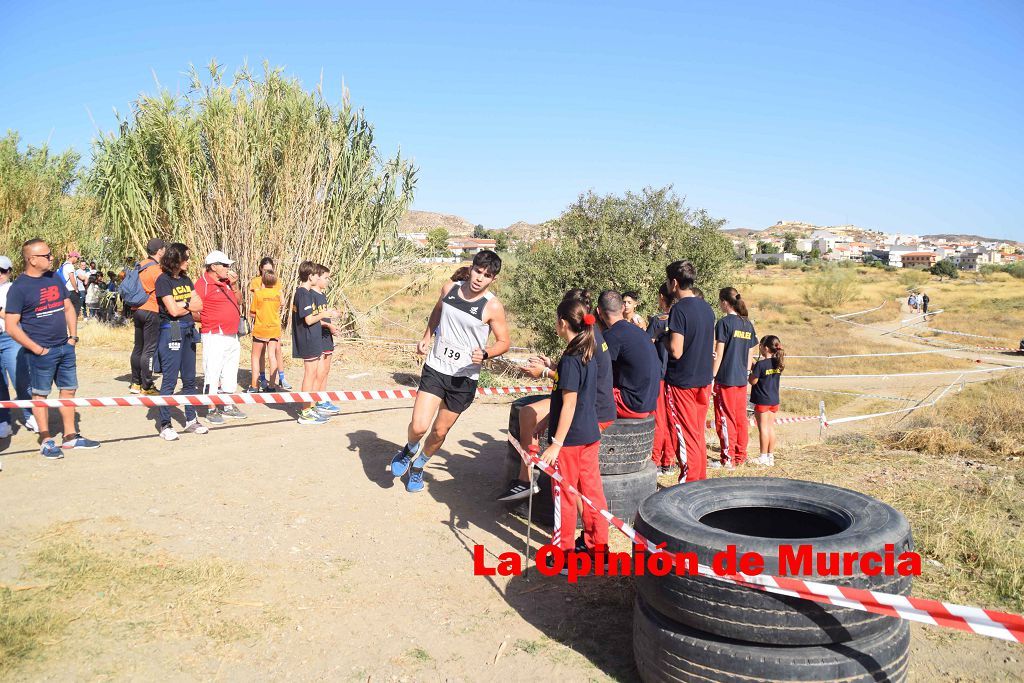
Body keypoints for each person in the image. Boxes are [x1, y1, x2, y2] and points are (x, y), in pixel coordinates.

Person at [391, 250, 510, 493]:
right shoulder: (450, 289)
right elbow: (437, 311)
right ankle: (409, 449)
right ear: (472, 267)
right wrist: (427, 336)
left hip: (464, 378)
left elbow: (504, 342)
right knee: (419, 426)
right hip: (437, 367)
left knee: (439, 431)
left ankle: (419, 466)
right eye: (478, 271)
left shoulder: (492, 306)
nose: (479, 278)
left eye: (487, 275)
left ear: (492, 279)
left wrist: (486, 353)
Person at [498, 289, 614, 502]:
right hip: (591, 405)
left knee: (528, 414)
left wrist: (544, 373)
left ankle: (526, 480)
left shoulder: (585, 343)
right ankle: (527, 477)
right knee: (529, 415)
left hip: (588, 410)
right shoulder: (589, 336)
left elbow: (574, 387)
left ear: (566, 320)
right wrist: (553, 366)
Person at [4, 239, 100, 457]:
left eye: (50, 254)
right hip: (41, 352)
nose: (51, 258)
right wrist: (37, 349)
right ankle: (46, 439)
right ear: (32, 260)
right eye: (46, 256)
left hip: (65, 347)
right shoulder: (19, 288)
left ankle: (70, 436)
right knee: (40, 395)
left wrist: (72, 338)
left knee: (68, 390)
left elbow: (67, 307)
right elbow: (11, 326)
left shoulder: (54, 278)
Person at [539, 297, 608, 572]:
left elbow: (569, 403)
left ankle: (564, 554)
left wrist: (556, 443)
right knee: (591, 495)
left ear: (562, 323)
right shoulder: (587, 351)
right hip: (590, 434)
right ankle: (597, 548)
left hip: (570, 441)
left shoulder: (570, 359)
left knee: (565, 497)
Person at [664, 260, 715, 483]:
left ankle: (688, 485)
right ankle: (699, 481)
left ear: (674, 283)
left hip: (682, 382)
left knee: (684, 435)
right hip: (703, 380)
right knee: (696, 434)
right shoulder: (707, 308)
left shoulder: (679, 309)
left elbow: (676, 350)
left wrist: (662, 338)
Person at [154, 243, 209, 441]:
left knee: (189, 379)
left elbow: (199, 305)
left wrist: (183, 306)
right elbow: (173, 311)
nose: (189, 261)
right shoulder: (163, 280)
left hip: (188, 331)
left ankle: (191, 419)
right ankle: (165, 424)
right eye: (186, 258)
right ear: (176, 259)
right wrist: (187, 304)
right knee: (169, 380)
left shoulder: (186, 279)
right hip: (171, 330)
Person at [194, 250, 247, 424]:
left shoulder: (227, 282)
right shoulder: (203, 284)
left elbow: (239, 301)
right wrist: (209, 319)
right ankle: (211, 407)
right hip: (214, 334)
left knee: (231, 370)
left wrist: (235, 286)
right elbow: (193, 309)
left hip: (232, 333)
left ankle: (228, 405)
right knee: (213, 370)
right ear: (214, 266)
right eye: (224, 265)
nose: (227, 268)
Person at [710, 287, 758, 469]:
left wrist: (712, 376)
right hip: (740, 379)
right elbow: (750, 353)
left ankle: (728, 459)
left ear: (724, 302)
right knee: (740, 418)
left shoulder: (724, 323)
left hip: (726, 378)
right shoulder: (747, 324)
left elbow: (719, 353)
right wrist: (745, 372)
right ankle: (740, 455)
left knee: (725, 418)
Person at [597, 290, 661, 418]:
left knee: (582, 398)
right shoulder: (639, 332)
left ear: (599, 312)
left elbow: (595, 371)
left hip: (631, 404)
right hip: (650, 403)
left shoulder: (612, 336)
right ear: (622, 308)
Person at [291, 260, 339, 425]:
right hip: (308, 338)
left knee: (313, 373)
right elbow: (309, 319)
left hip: (313, 337)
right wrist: (325, 313)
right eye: (317, 275)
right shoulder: (303, 294)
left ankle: (310, 407)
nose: (319, 278)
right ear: (310, 276)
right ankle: (306, 411)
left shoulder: (305, 292)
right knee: (310, 374)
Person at [129, 238, 166, 395]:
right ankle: (147, 385)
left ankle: (135, 383)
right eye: (164, 248)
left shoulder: (141, 265)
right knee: (149, 349)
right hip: (151, 309)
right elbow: (163, 290)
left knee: (138, 347)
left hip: (136, 309)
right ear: (159, 251)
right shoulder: (157, 270)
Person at [250, 257, 292, 391]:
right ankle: (270, 384)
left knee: (256, 356)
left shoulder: (260, 294)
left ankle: (255, 385)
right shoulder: (274, 292)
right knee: (271, 355)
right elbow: (282, 302)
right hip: (274, 327)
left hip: (261, 328)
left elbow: (252, 312)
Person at [647, 283, 675, 474]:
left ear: (661, 297)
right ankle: (670, 460)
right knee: (672, 419)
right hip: (677, 376)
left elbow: (647, 346)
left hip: (659, 376)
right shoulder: (681, 319)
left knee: (659, 420)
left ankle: (656, 459)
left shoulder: (658, 320)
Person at [310, 263, 342, 417]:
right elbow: (312, 319)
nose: (327, 281)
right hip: (318, 336)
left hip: (326, 335)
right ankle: (314, 401)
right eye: (325, 278)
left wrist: (333, 317)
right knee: (319, 371)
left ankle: (322, 398)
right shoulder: (311, 295)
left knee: (326, 370)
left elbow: (324, 315)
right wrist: (328, 326)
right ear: (316, 278)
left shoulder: (323, 295)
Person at [749, 335, 785, 466]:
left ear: (765, 348)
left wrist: (752, 371)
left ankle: (762, 457)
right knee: (770, 428)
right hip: (774, 400)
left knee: (763, 429)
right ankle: (770, 457)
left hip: (762, 401)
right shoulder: (779, 363)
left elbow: (753, 381)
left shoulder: (760, 364)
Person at [58, 250, 83, 319]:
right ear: (74, 257)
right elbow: (72, 278)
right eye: (77, 258)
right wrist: (76, 289)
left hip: (65, 290)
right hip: (71, 290)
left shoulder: (64, 265)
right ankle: (73, 323)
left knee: (67, 308)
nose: (77, 260)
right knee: (76, 307)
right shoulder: (70, 266)